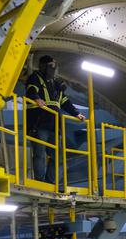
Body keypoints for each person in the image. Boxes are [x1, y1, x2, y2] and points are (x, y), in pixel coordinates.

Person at [23, 55, 86, 185]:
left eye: (55, 66)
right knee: (39, 153)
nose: (54, 69)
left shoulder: (56, 84)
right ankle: (40, 182)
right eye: (51, 66)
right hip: (40, 123)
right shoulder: (35, 77)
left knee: (59, 157)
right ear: (43, 66)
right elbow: (31, 90)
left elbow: (65, 101)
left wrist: (76, 113)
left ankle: (49, 182)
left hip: (54, 126)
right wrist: (36, 98)